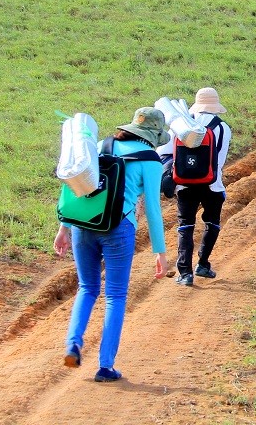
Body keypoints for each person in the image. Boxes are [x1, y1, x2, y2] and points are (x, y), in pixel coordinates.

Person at [53, 106, 170, 383]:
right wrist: (160, 252)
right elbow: (153, 208)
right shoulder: (152, 160)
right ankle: (106, 366)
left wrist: (64, 228)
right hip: (119, 230)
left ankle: (73, 343)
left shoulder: (100, 145)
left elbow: (77, 185)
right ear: (153, 135)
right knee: (115, 296)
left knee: (87, 288)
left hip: (84, 225)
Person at [160, 87, 232, 287]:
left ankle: (185, 273)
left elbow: (163, 152)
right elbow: (220, 160)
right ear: (215, 106)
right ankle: (203, 264)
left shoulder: (180, 125)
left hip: (184, 184)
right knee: (212, 223)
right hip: (212, 184)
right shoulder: (222, 128)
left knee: (185, 226)